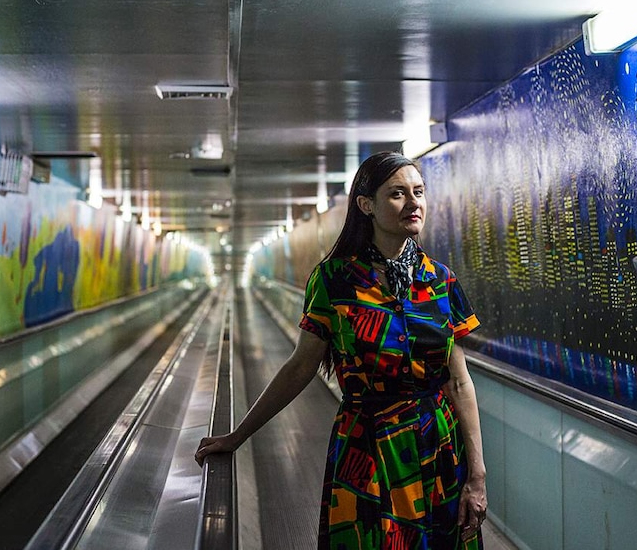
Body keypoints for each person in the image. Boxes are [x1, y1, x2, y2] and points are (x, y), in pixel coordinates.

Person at [195, 151, 487, 549]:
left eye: (418, 192)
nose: (414, 202)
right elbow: (300, 368)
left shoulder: (440, 280)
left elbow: (459, 383)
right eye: (397, 194)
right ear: (366, 205)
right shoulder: (334, 280)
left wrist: (477, 476)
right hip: (368, 447)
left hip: (437, 450)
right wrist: (238, 436)